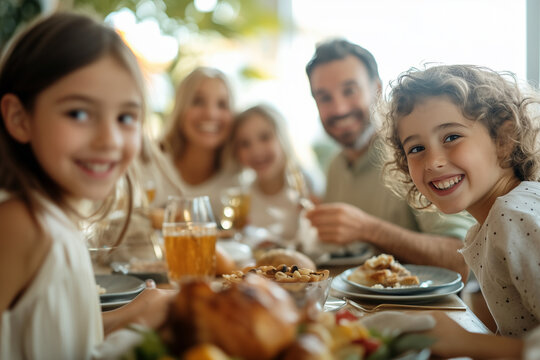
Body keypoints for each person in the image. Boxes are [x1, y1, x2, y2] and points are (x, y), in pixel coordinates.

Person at [0, 12, 174, 359]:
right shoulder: (21, 225)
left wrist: (135, 315)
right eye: (79, 113)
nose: (109, 139)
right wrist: (138, 327)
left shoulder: (50, 221)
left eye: (126, 117)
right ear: (20, 118)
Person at [383, 64, 540, 341]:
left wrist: (466, 342)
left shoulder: (512, 217)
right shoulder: (492, 222)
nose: (433, 162)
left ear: (503, 138)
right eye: (416, 148)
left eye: (451, 137)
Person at [304, 38, 475, 280]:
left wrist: (369, 229)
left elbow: (464, 261)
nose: (339, 109)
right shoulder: (335, 166)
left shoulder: (416, 155)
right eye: (324, 97)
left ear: (376, 89)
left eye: (349, 91)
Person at [143, 67, 241, 220]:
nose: (210, 113)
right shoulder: (147, 163)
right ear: (181, 108)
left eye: (222, 104)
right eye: (198, 101)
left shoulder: (239, 180)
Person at [231, 104, 314, 242]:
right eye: (245, 144)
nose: (256, 150)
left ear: (282, 138)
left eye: (265, 137)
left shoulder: (306, 184)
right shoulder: (243, 198)